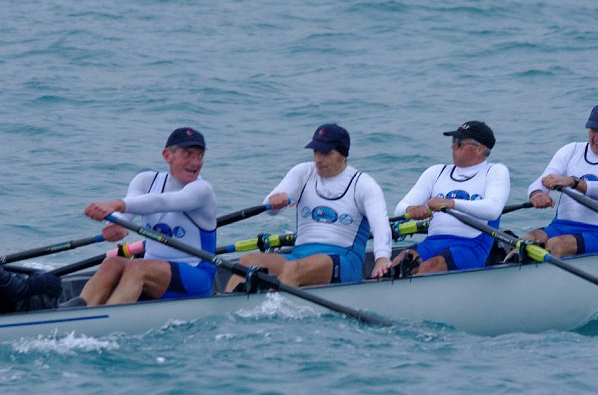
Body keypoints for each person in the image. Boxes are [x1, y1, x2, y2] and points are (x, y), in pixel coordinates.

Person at [224, 123, 392, 291]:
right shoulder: (303, 173)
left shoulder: (363, 185)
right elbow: (269, 208)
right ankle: (230, 305)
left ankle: (273, 305)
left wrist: (382, 258)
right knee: (247, 262)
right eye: (316, 151)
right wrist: (275, 201)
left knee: (294, 268)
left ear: (342, 155)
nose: (318, 158)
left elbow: (380, 224)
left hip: (344, 260)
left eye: (326, 153)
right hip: (298, 257)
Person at [67, 127, 217, 306]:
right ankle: (80, 310)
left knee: (137, 268)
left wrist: (116, 204)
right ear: (167, 155)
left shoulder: (202, 190)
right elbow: (130, 209)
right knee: (112, 263)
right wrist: (117, 224)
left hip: (196, 274)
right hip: (153, 270)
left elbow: (162, 202)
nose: (195, 162)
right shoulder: (146, 180)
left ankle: (109, 315)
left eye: (200, 156)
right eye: (188, 154)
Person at [390, 120, 510, 274]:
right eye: (453, 141)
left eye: (459, 142)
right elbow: (399, 210)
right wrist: (411, 209)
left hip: (471, 245)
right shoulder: (436, 172)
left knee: (431, 266)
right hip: (432, 243)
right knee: (398, 262)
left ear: (479, 149)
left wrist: (452, 203)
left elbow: (493, 210)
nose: (452, 146)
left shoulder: (495, 171)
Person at [524, 103, 598, 257]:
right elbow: (544, 180)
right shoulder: (571, 150)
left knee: (556, 244)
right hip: (559, 227)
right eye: (594, 130)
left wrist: (574, 182)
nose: (597, 137)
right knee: (529, 239)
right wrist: (537, 194)